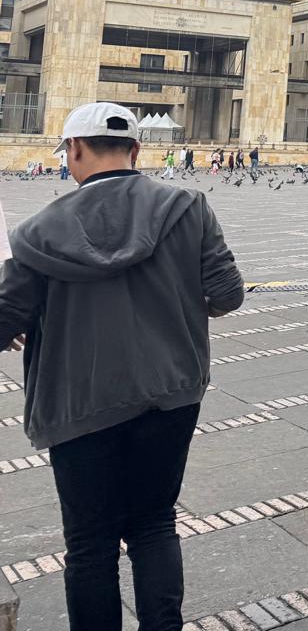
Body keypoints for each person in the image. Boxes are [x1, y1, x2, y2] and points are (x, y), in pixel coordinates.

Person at [0, 101, 244, 630]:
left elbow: (4, 319)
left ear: (74, 151)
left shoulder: (36, 233)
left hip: (78, 404)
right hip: (171, 393)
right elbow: (227, 296)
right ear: (136, 150)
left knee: (90, 544)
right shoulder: (188, 207)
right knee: (155, 524)